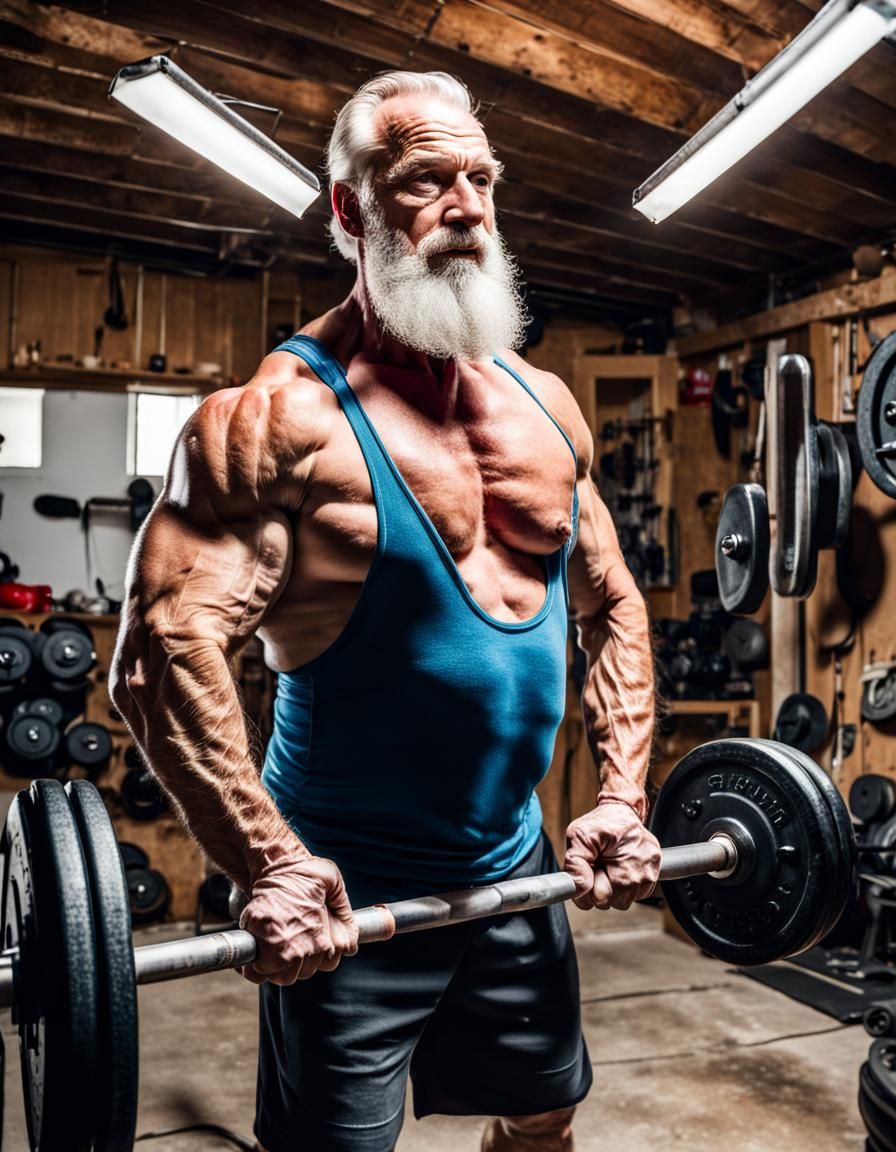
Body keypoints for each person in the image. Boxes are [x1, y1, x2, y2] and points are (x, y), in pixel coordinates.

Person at [110, 70, 662, 1152]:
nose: (463, 206)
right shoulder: (280, 422)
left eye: (480, 179)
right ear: (348, 209)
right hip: (344, 888)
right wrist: (267, 863)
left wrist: (622, 796)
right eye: (422, 181)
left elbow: (612, 606)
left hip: (512, 864)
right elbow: (162, 655)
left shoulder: (544, 407)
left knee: (543, 1113)